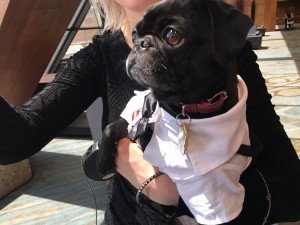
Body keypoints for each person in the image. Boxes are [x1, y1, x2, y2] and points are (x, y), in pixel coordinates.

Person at [0, 0, 299, 224]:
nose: (144, 46)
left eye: (171, 36)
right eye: (138, 37)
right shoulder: (99, 55)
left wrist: (175, 195)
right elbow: (16, 140)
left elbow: (291, 191)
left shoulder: (219, 49)